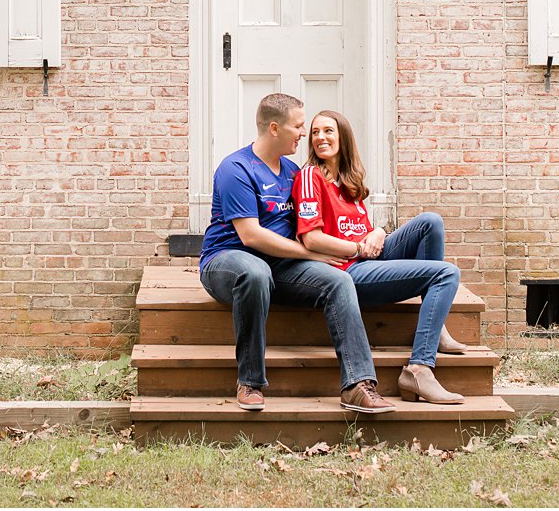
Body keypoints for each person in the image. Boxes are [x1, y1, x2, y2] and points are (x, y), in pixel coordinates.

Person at [198, 93, 394, 414]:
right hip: (228, 261)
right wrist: (310, 254)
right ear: (275, 128)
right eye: (300, 127)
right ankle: (250, 381)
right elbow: (251, 236)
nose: (306, 134)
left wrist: (373, 231)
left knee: (338, 281)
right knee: (255, 273)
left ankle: (357, 385)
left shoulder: (293, 171)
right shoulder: (235, 169)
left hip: (282, 266)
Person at [294, 109, 468, 404]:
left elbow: (361, 231)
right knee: (446, 273)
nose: (320, 137)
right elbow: (311, 238)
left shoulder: (349, 182)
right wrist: (360, 248)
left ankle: (435, 327)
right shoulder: (311, 176)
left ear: (343, 137)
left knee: (430, 222)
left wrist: (378, 230)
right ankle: (419, 369)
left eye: (328, 131)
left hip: (367, 257)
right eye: (314, 132)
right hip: (348, 271)